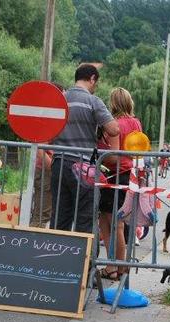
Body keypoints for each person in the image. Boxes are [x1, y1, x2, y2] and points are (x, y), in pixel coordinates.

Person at [51, 64, 119, 233]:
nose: (95, 87)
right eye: (96, 83)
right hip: (82, 165)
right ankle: (84, 258)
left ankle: (54, 255)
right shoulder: (93, 101)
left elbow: (49, 132)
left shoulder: (61, 98)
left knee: (60, 215)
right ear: (92, 79)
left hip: (59, 163)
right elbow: (114, 129)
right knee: (85, 217)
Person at [97, 87, 143, 280]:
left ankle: (113, 267)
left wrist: (98, 157)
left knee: (108, 223)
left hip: (113, 175)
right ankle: (119, 266)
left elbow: (112, 155)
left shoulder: (114, 124)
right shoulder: (136, 123)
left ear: (113, 103)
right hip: (129, 174)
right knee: (119, 223)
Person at [30, 149, 53, 228]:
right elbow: (39, 148)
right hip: (46, 170)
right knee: (41, 215)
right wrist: (53, 166)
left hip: (48, 169)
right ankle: (34, 238)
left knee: (44, 214)